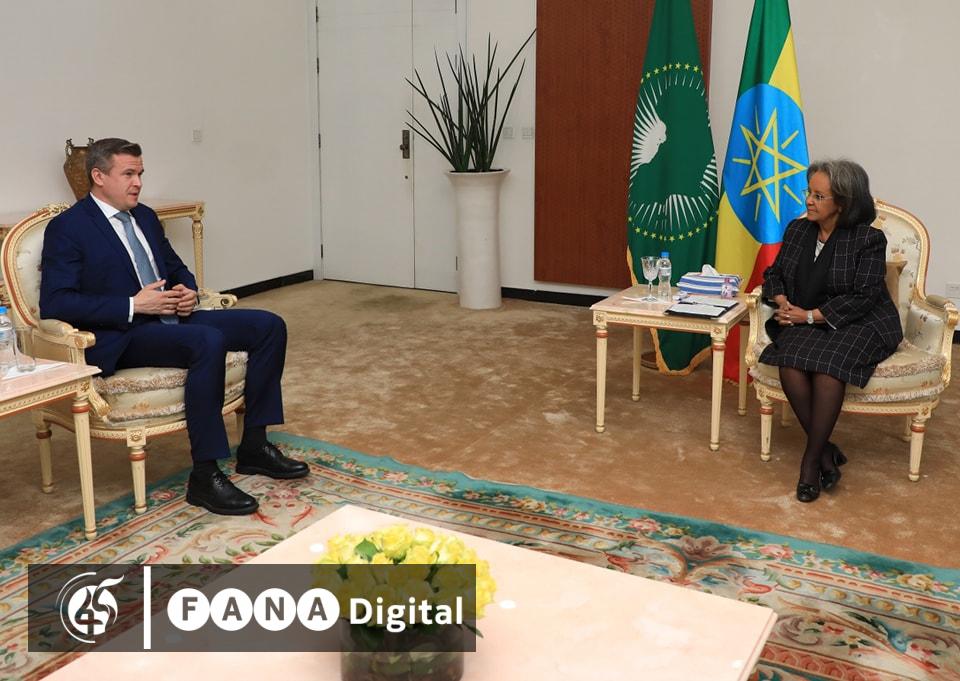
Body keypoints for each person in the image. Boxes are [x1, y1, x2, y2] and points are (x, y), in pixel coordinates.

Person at [39, 138, 308, 516]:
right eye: (128, 174)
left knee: (268, 326)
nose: (138, 183)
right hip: (123, 334)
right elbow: (56, 303)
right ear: (98, 176)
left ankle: (254, 446)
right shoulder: (68, 228)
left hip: (171, 317)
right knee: (207, 340)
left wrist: (187, 292)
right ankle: (205, 474)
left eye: (140, 173)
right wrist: (133, 305)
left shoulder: (145, 217)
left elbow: (176, 268)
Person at [759, 159, 902, 503]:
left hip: (862, 321)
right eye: (809, 192)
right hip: (805, 316)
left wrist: (809, 316)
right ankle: (826, 451)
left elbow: (864, 297)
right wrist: (782, 303)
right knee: (789, 360)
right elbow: (774, 274)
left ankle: (811, 462)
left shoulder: (868, 239)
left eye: (819, 196)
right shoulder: (798, 230)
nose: (809, 201)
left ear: (843, 202)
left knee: (828, 369)